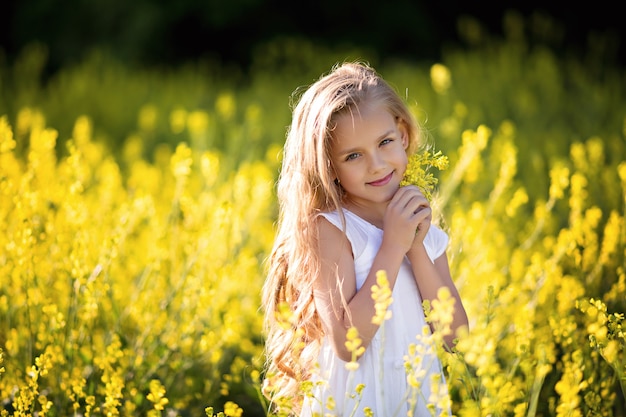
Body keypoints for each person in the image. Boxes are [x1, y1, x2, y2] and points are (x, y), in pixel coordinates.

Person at [261, 61, 468, 416]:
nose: (376, 165)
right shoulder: (332, 228)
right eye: (353, 155)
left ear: (402, 135)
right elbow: (347, 343)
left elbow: (455, 337)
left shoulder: (418, 225)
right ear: (328, 165)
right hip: (357, 401)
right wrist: (392, 246)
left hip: (413, 397)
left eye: (385, 142)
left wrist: (415, 247)